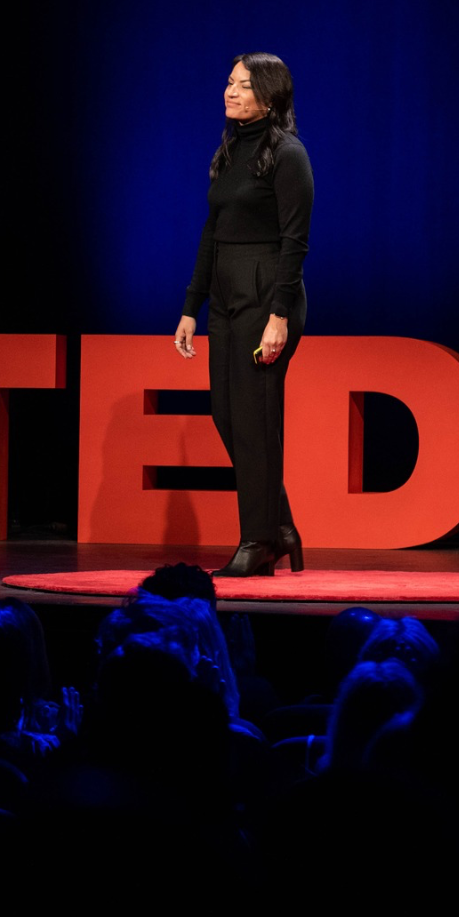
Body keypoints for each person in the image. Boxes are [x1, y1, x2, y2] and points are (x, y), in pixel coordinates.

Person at [174, 52, 314, 576]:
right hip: (227, 296)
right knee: (227, 415)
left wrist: (279, 314)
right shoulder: (230, 151)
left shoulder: (289, 154)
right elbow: (212, 232)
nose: (230, 91)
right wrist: (192, 306)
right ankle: (280, 527)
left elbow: (295, 241)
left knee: (255, 419)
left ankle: (257, 542)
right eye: (229, 82)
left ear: (270, 96)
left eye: (242, 85)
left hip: (266, 295)